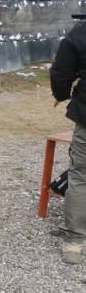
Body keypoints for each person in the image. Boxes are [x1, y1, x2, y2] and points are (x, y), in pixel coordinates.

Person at [50, 15, 86, 264]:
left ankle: (74, 241)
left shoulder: (79, 34)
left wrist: (61, 94)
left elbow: (61, 72)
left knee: (81, 177)